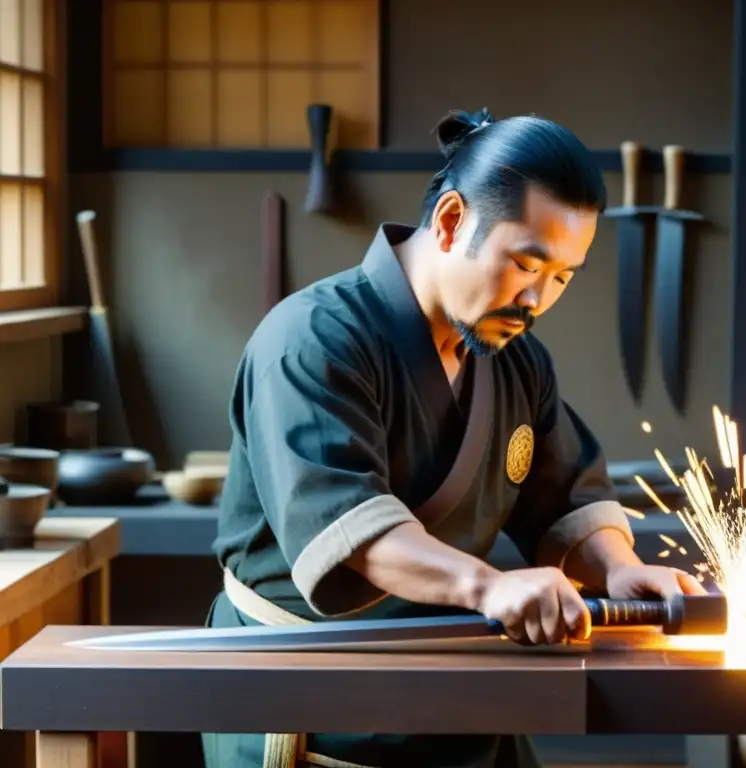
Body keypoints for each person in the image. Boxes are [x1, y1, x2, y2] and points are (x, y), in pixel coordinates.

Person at [202, 107, 704, 768]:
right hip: (312, 694)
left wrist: (619, 568)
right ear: (449, 221)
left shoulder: (516, 360)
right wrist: (490, 588)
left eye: (562, 277)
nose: (538, 299)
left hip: (459, 686)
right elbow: (351, 530)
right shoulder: (311, 341)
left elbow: (563, 498)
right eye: (526, 263)